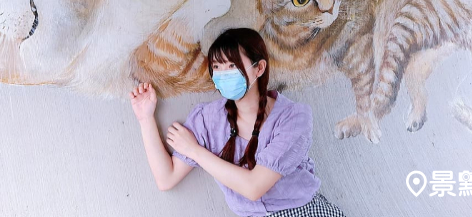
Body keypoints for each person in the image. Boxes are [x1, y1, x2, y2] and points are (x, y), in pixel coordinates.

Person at [129, 28, 347, 217]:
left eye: (232, 66)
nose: (222, 74)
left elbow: (254, 187)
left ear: (259, 68)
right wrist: (145, 117)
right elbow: (166, 178)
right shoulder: (208, 119)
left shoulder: (293, 118)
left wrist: (195, 151)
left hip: (304, 211)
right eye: (217, 67)